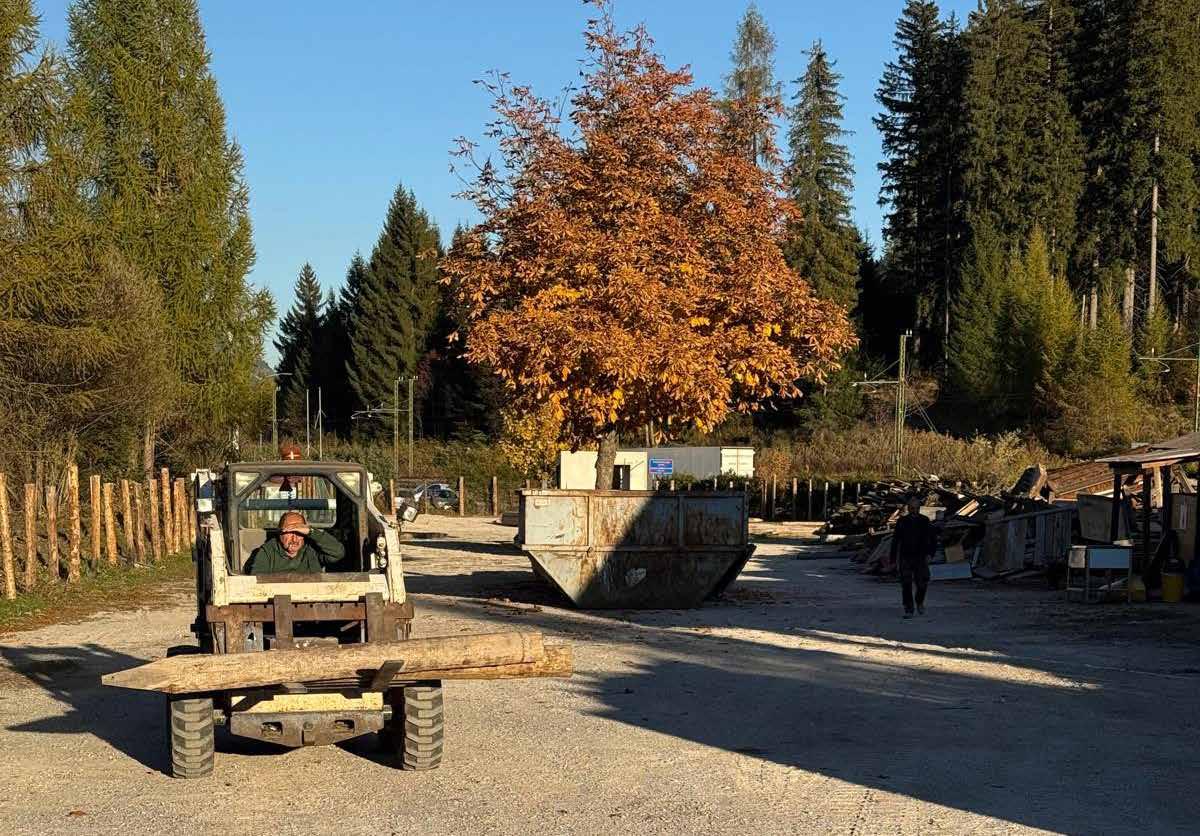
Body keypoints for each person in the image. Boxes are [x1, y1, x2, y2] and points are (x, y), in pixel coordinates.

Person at [246, 510, 345, 575]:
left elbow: (338, 553)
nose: (294, 539)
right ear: (280, 533)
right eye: (290, 532)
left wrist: (311, 531)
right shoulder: (267, 552)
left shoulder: (312, 549)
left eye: (299, 533)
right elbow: (258, 582)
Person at [889, 497, 935, 618]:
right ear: (908, 509)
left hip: (921, 556)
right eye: (912, 508)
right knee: (906, 583)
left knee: (922, 583)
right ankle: (909, 608)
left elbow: (932, 539)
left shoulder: (924, 520)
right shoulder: (902, 521)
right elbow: (895, 540)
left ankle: (919, 601)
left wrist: (930, 554)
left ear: (919, 509)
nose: (914, 511)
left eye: (916, 508)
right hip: (906, 556)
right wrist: (893, 559)